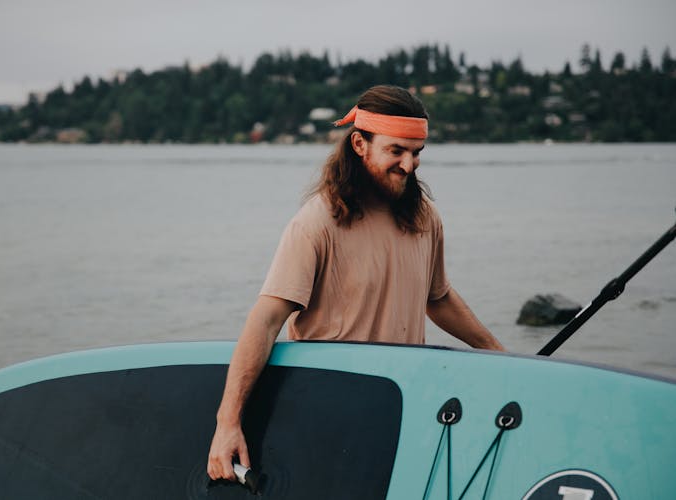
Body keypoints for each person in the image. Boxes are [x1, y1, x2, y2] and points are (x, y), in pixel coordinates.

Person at [206, 85, 504, 482]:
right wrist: (228, 422)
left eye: (416, 154)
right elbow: (266, 319)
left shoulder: (423, 217)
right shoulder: (318, 223)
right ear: (360, 144)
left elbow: (439, 297)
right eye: (396, 151)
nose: (409, 165)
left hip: (406, 405)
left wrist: (497, 353)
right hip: (331, 408)